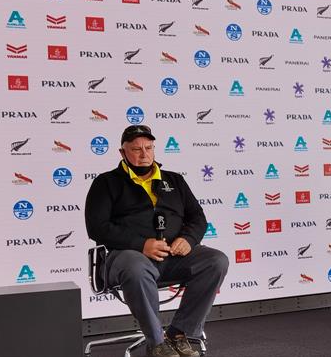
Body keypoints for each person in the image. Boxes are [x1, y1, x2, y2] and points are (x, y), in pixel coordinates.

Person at [85, 125, 229, 357]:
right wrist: (142, 244)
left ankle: (181, 333)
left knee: (216, 261)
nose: (144, 154)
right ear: (122, 153)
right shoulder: (106, 183)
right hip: (127, 257)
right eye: (136, 149)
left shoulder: (174, 180)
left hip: (172, 257)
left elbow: (198, 218)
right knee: (135, 266)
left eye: (149, 148)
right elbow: (97, 228)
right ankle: (157, 342)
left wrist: (188, 239)